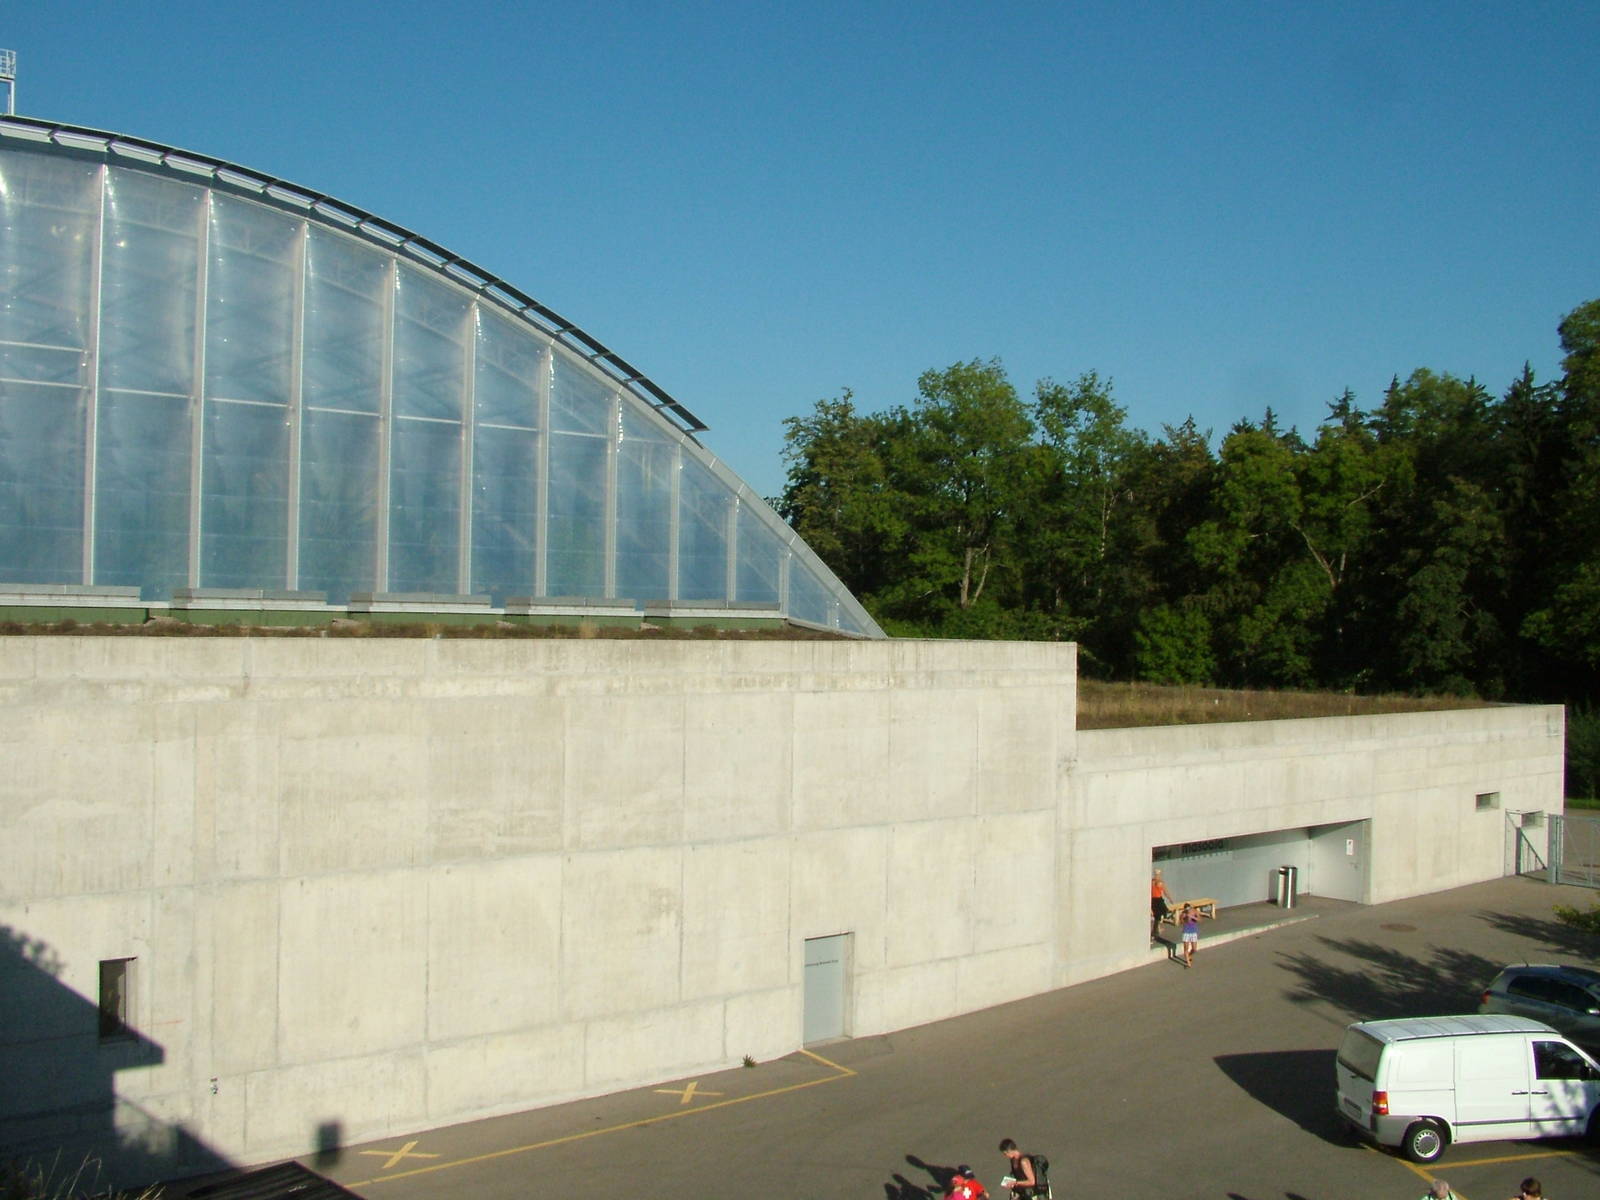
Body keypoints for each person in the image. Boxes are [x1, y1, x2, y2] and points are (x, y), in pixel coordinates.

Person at [1150, 869, 1172, 942]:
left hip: (1154, 900)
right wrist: (1170, 899)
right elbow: (1165, 892)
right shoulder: (1159, 882)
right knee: (1160, 914)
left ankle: (1157, 928)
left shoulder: (1152, 882)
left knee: (1158, 916)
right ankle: (1155, 931)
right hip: (1157, 900)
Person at [1180, 902, 1200, 967]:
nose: (1187, 910)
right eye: (1186, 909)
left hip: (1193, 931)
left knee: (1194, 949)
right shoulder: (1183, 914)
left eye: (1188, 908)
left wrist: (1192, 917)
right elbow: (1181, 922)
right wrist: (1185, 919)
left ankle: (1189, 955)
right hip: (1186, 932)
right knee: (1186, 948)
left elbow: (1199, 919)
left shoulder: (1195, 911)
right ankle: (1188, 963)